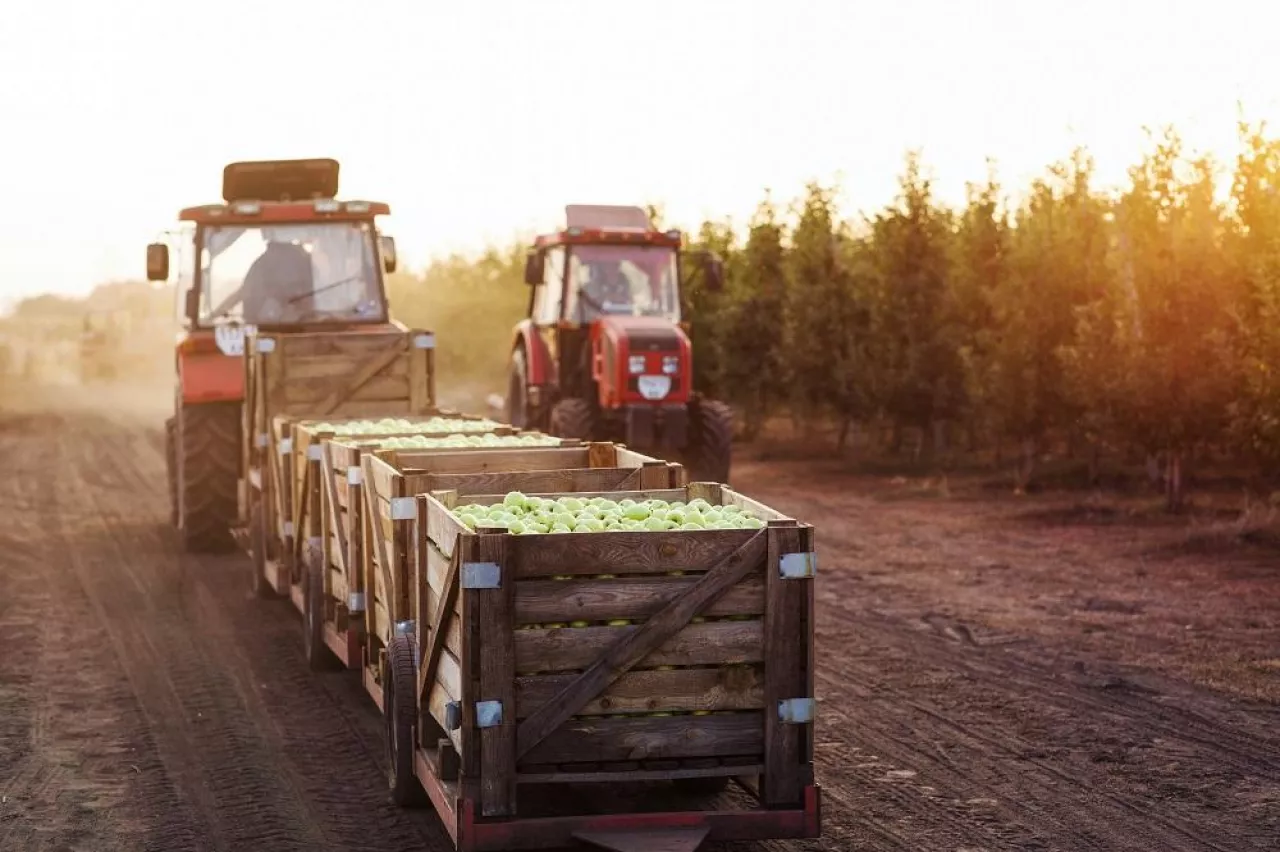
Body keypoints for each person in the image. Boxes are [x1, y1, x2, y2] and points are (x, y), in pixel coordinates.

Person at [210, 229, 315, 323]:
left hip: (291, 326)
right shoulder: (264, 263)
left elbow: (241, 293)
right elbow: (243, 292)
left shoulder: (265, 263)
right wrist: (214, 315)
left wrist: (213, 316)